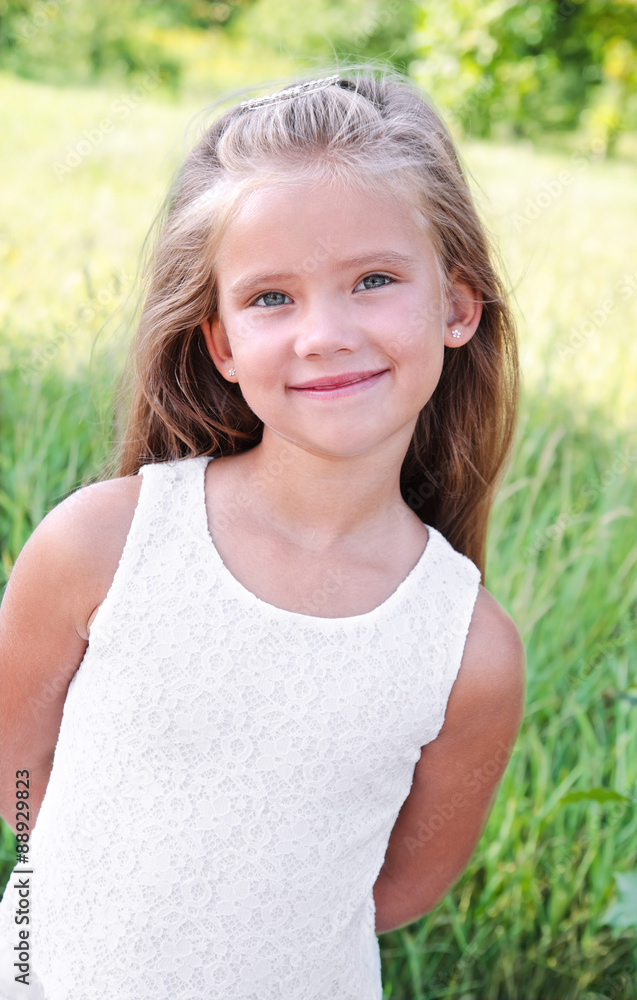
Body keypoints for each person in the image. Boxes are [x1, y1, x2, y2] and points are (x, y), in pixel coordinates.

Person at [0, 69, 526, 999]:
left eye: (373, 280)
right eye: (271, 298)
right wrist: (94, 899)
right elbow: (15, 777)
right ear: (223, 344)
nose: (324, 334)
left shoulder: (469, 649)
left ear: (456, 307)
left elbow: (399, 888)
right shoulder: (103, 545)